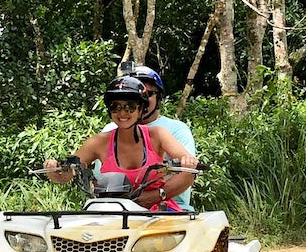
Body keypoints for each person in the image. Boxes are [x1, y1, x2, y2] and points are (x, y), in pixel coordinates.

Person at [44, 76, 198, 211]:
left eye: (129, 107)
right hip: (111, 212)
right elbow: (68, 172)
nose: (122, 113)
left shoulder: (158, 134)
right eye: (115, 107)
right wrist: (54, 171)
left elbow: (189, 170)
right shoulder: (98, 142)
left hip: (157, 213)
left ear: (140, 109)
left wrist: (157, 195)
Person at [101, 63, 198, 211]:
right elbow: (96, 177)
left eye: (146, 94)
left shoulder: (175, 130)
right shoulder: (109, 131)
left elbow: (189, 172)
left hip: (168, 208)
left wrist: (156, 195)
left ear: (158, 98)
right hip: (118, 208)